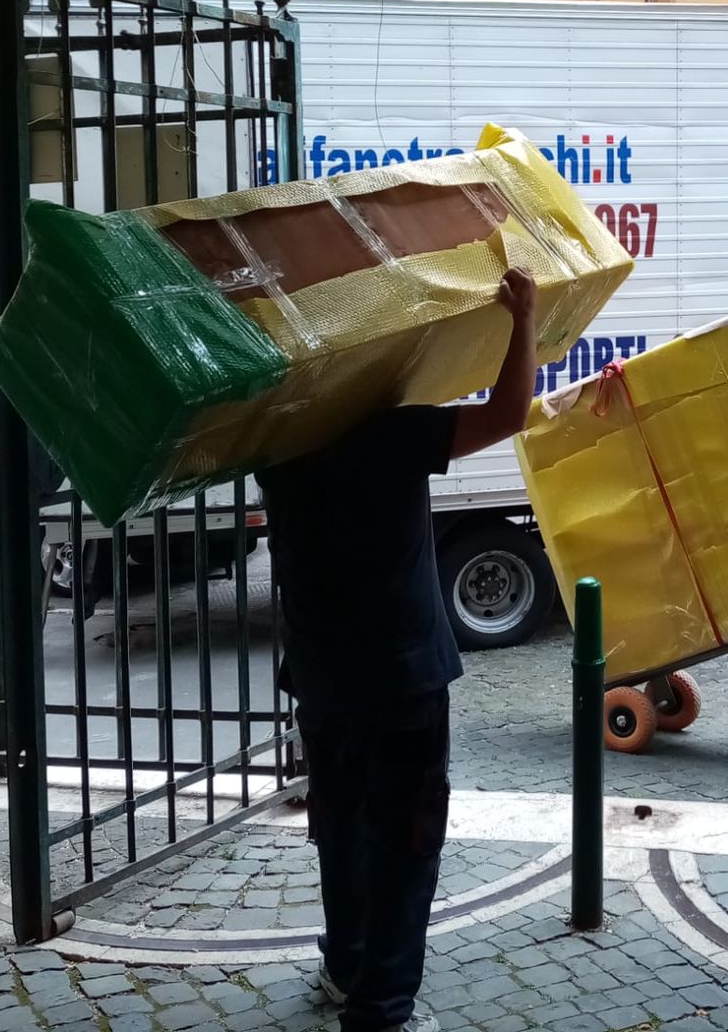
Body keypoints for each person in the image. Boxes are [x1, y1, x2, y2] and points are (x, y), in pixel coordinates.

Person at [259, 267, 539, 1032]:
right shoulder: (393, 429)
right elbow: (510, 412)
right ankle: (381, 1011)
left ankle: (345, 970)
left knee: (341, 826)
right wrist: (523, 319)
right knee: (405, 842)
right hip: (402, 677)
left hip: (321, 675)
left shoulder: (279, 435)